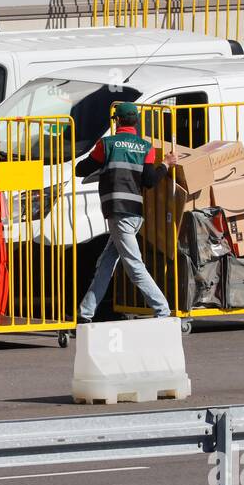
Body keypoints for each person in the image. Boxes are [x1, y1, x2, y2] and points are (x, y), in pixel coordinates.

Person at [76, 102, 177, 322]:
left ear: (117, 121)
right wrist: (166, 164)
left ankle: (163, 311)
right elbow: (150, 181)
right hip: (134, 213)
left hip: (118, 213)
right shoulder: (145, 147)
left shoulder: (107, 144)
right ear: (137, 121)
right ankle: (85, 313)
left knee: (134, 266)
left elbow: (80, 170)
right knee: (105, 264)